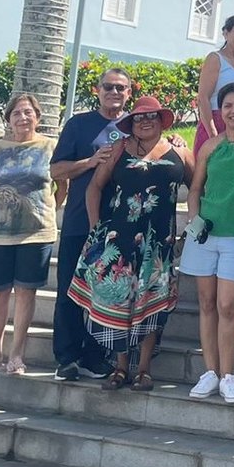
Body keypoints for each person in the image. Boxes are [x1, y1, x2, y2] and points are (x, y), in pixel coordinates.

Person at [68, 96, 194, 392]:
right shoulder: (119, 149)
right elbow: (95, 187)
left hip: (158, 242)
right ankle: (121, 367)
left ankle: (145, 369)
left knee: (150, 304)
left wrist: (191, 226)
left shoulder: (179, 149)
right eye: (139, 117)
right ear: (131, 123)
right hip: (119, 240)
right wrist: (95, 228)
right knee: (120, 302)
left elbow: (199, 186)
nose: (145, 121)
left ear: (162, 120)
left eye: (152, 116)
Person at [182, 83, 234, 404]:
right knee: (206, 302)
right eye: (228, 105)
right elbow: (195, 188)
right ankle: (210, 371)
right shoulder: (210, 147)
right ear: (221, 110)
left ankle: (229, 375)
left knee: (228, 305)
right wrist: (193, 218)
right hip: (206, 234)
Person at [50, 69, 132, 381]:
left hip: (118, 225)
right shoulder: (78, 125)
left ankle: (95, 357)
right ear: (98, 90)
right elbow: (57, 170)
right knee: (69, 291)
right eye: (109, 86)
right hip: (78, 223)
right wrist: (90, 161)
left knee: (107, 293)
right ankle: (67, 358)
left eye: (121, 88)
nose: (114, 92)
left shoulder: (132, 126)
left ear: (128, 93)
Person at [0, 94, 58, 376]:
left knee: (25, 291)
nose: (23, 117)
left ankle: (16, 354)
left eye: (28, 112)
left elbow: (62, 186)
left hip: (36, 233)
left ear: (38, 117)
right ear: (8, 119)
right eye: (17, 113)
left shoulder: (50, 147)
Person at [197, 15, 234, 151]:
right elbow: (203, 98)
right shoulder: (215, 59)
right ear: (226, 33)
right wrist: (212, 133)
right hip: (216, 119)